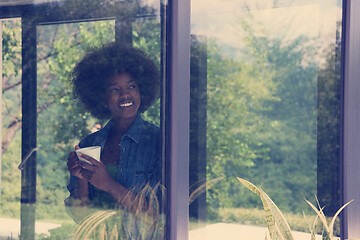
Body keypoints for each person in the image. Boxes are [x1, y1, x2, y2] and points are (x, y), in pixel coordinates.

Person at [64, 43, 162, 223]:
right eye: (115, 89)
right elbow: (81, 218)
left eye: (132, 86)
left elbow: (156, 218)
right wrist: (81, 179)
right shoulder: (88, 144)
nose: (125, 95)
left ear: (142, 91)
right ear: (102, 100)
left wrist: (108, 184)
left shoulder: (158, 142)